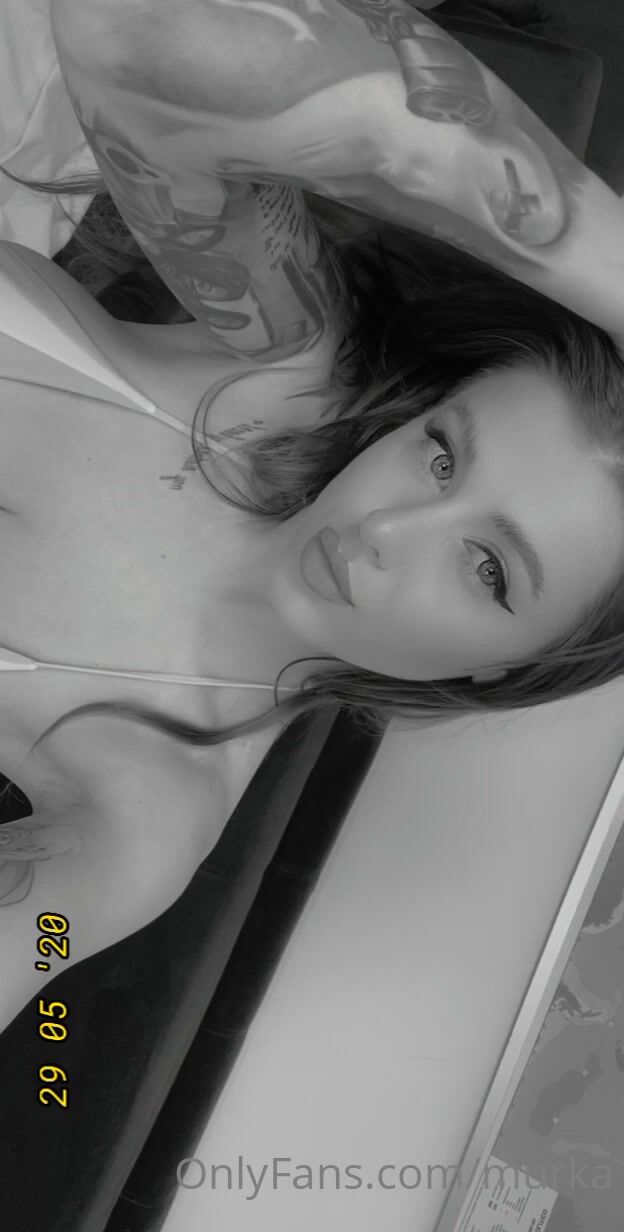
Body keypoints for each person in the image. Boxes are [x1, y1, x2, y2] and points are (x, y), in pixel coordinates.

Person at [1, 0, 624, 1032]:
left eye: (488, 569)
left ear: (509, 669)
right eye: (440, 452)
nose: (386, 529)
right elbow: (138, 25)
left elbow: (40, 931)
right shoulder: (292, 371)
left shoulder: (150, 802)